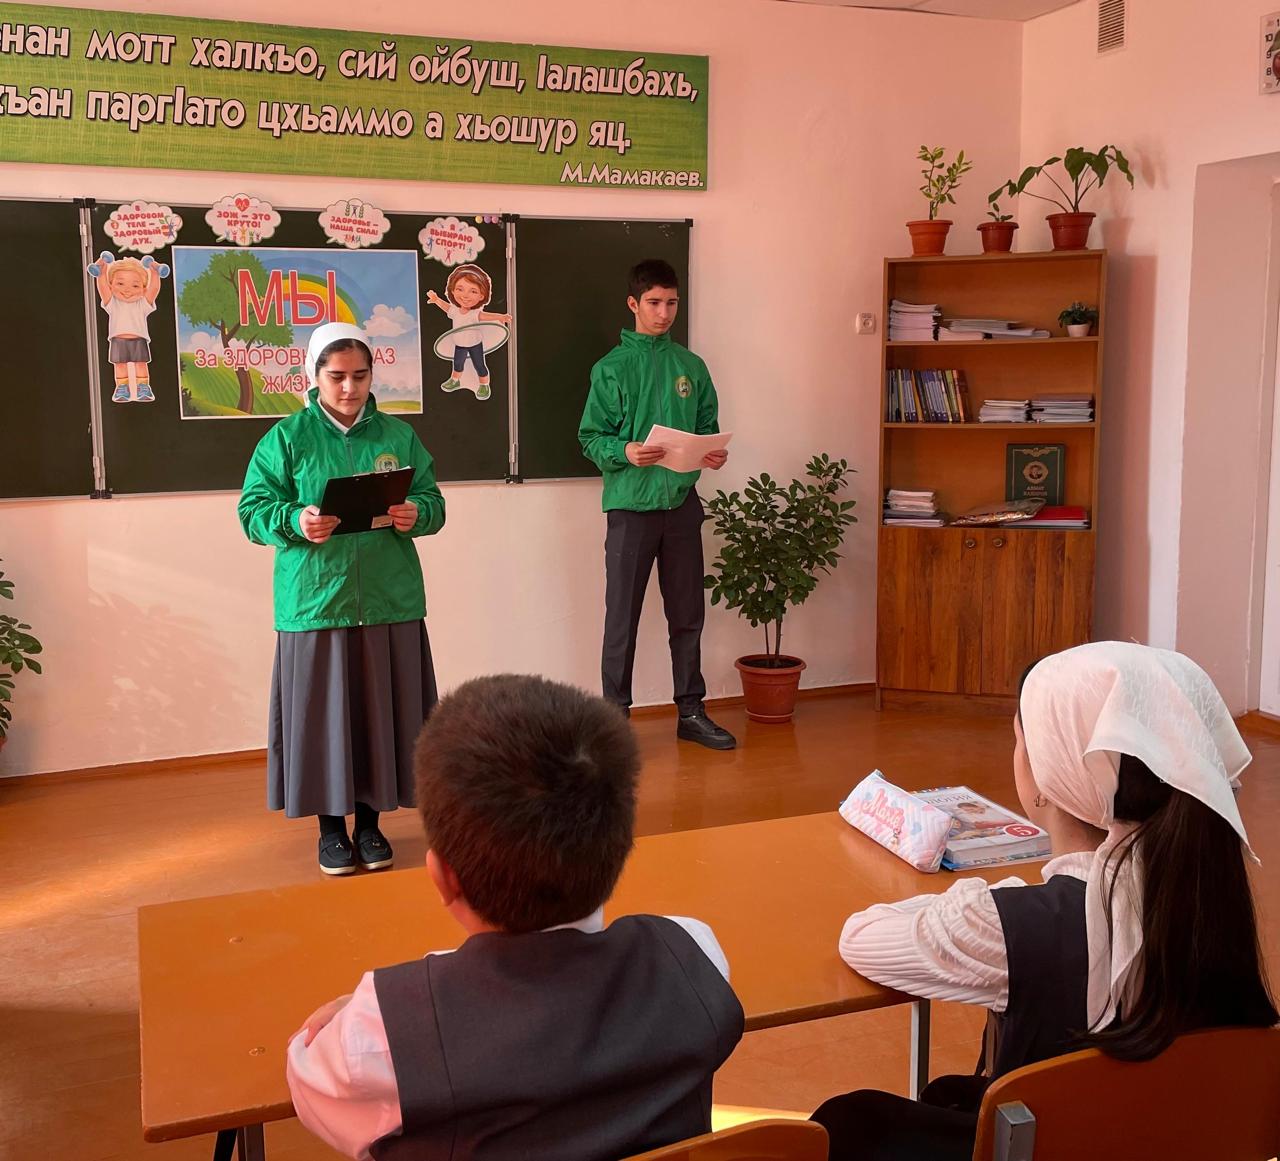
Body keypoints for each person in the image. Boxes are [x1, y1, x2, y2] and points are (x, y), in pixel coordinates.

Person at [812, 641, 1278, 1161]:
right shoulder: (1212, 897)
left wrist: (998, 897)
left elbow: (861, 939)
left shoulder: (1010, 925)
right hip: (1162, 1142)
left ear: (1047, 777)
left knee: (847, 1122)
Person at [286, 674, 745, 1160]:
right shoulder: (694, 954)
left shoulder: (378, 1035)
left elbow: (306, 1077)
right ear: (619, 852)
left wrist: (367, 1007)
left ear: (442, 877)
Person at [239, 322, 446, 877]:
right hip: (314, 604)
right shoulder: (286, 438)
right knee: (323, 720)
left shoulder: (398, 436)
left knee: (380, 716)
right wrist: (294, 520)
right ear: (313, 376)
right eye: (336, 377)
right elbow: (252, 512)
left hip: (389, 599)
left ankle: (372, 826)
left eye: (360, 375)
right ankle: (330, 831)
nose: (349, 388)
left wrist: (418, 513)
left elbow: (432, 501)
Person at [578, 259, 735, 750]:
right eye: (654, 303)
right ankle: (613, 723)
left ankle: (691, 711)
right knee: (621, 619)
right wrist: (624, 451)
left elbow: (707, 427)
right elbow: (590, 437)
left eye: (671, 303)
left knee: (688, 614)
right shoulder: (610, 369)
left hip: (682, 506)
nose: (664, 313)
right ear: (633, 304)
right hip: (630, 508)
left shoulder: (691, 367)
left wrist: (712, 453)